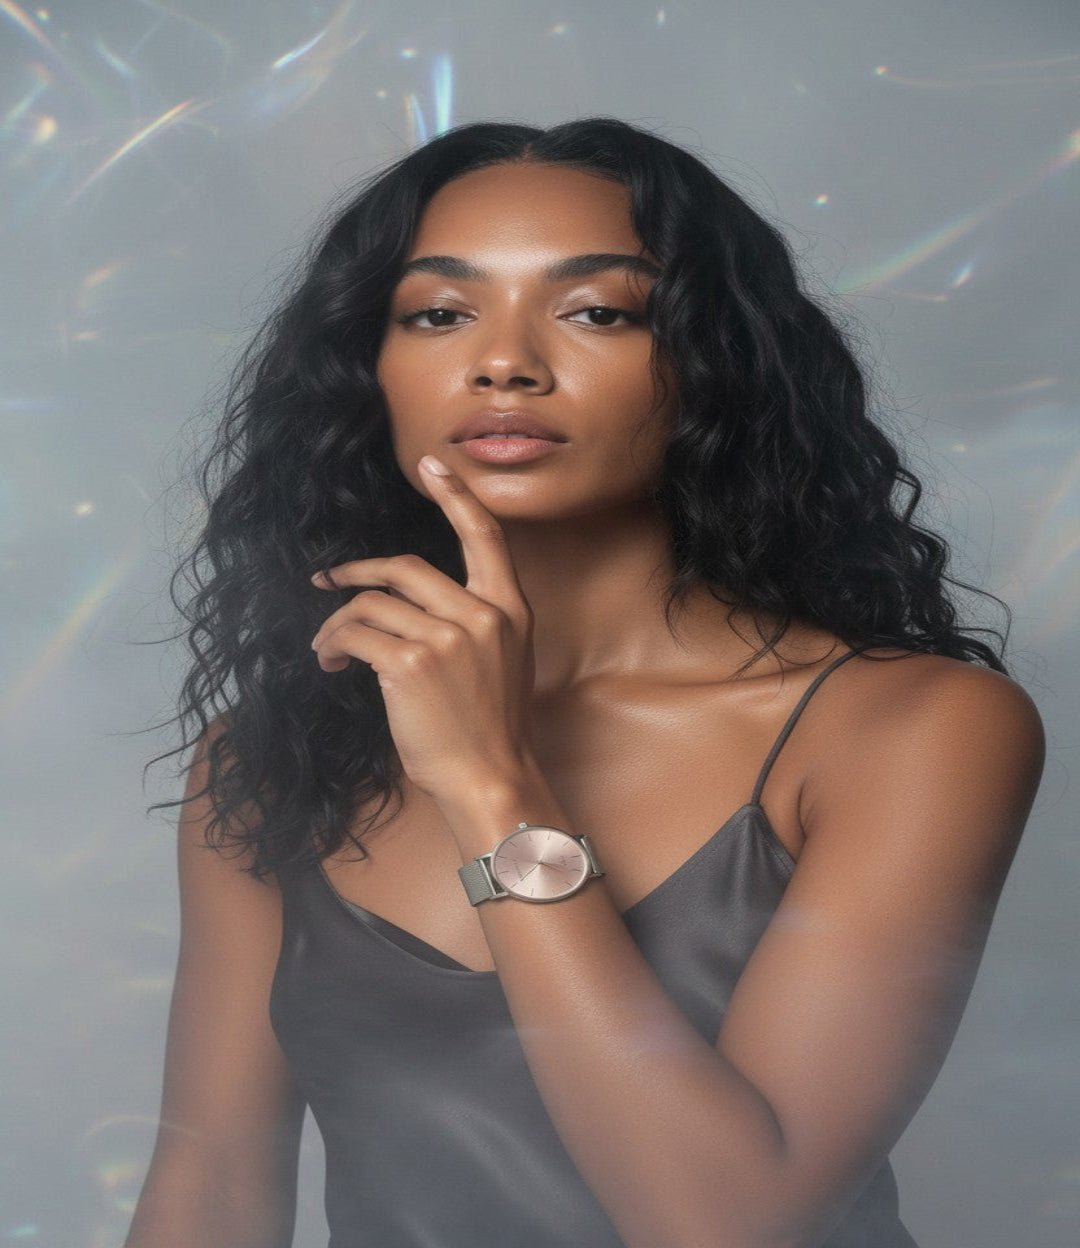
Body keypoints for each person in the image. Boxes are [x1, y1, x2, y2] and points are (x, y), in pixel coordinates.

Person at [125, 118, 1045, 1248]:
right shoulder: (270, 756)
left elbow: (730, 1225)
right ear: (373, 373)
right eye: (440, 313)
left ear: (710, 362)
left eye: (598, 311)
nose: (504, 360)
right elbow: (208, 1193)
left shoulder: (913, 728)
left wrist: (490, 782)